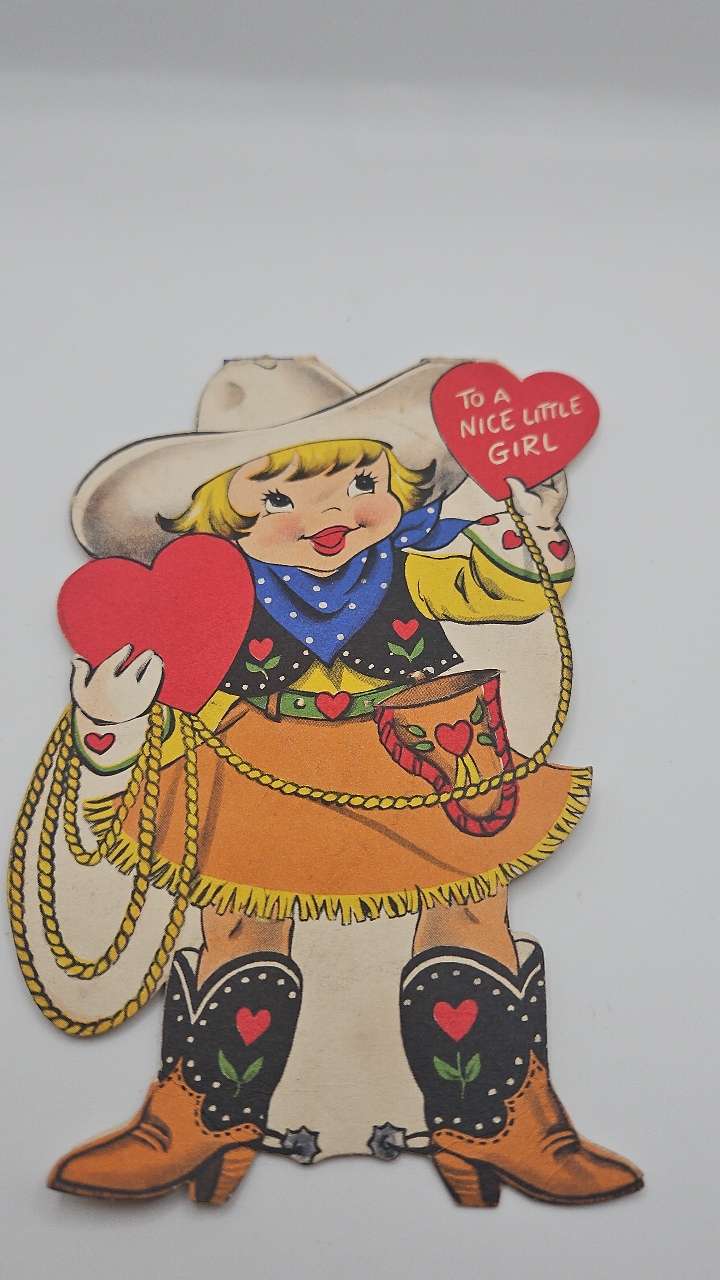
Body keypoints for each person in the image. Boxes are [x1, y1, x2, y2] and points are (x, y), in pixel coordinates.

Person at [16, 356, 642, 1206]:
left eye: (360, 481)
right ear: (220, 517)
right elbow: (168, 704)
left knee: (469, 908)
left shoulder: (414, 561)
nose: (332, 514)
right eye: (279, 498)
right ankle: (203, 1117)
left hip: (420, 750)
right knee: (239, 920)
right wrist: (113, 721)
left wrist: (528, 535)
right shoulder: (210, 598)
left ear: (398, 483)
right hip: (261, 759)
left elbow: (496, 589)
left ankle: (496, 1119)